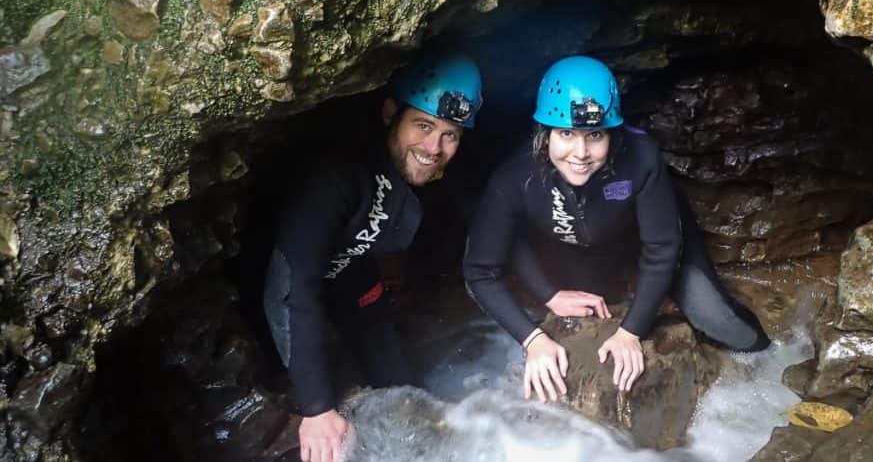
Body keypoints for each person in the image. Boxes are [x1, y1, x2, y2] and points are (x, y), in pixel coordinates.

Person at [463, 55, 769, 403]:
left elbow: (663, 247)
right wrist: (537, 323)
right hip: (572, 242)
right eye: (566, 134)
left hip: (647, 237)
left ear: (613, 134)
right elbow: (480, 271)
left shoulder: (641, 158)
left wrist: (631, 332)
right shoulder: (515, 174)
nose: (580, 153)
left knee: (726, 326)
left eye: (595, 135)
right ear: (545, 134)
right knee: (584, 311)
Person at [264, 52, 482, 462]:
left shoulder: (409, 171)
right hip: (281, 298)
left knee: (409, 398)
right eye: (423, 125)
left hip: (351, 278)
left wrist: (390, 269)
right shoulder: (337, 176)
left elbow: (394, 225)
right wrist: (317, 408)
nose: (434, 147)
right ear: (390, 113)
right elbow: (290, 286)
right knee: (316, 433)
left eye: (450, 134)